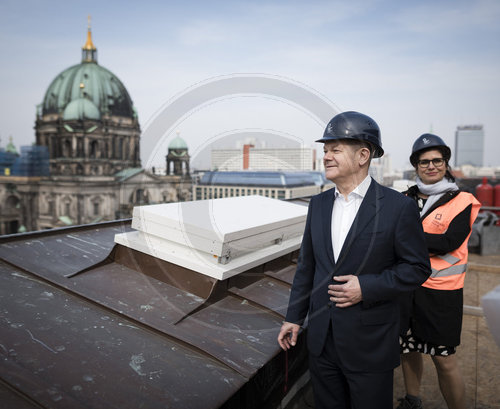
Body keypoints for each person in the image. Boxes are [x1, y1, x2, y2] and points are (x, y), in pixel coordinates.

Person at [277, 111, 431, 409]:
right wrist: (294, 317)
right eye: (325, 150)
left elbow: (417, 268)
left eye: (335, 150)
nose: (326, 157)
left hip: (370, 343)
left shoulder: (398, 207)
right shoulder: (318, 205)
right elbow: (307, 267)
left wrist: (367, 286)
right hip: (322, 341)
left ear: (363, 155)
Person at [396, 134, 481, 409]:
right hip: (406, 289)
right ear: (415, 166)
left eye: (437, 160)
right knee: (408, 351)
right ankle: (412, 400)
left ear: (445, 164)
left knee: (443, 359)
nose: (431, 166)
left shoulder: (463, 199)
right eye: (424, 162)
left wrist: (403, 239)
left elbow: (448, 242)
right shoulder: (404, 198)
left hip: (441, 294)